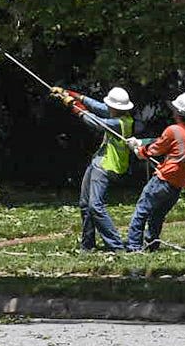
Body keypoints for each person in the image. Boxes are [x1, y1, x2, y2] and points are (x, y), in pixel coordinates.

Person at [50, 85, 136, 251]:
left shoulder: (120, 122)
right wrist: (69, 93)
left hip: (108, 166)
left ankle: (116, 245)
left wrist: (73, 106)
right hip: (98, 161)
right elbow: (96, 106)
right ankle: (87, 245)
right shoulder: (117, 113)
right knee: (84, 204)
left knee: (95, 206)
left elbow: (95, 122)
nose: (108, 108)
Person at [124, 92, 185, 251]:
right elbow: (165, 142)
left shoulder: (173, 130)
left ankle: (133, 247)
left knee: (141, 211)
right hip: (178, 185)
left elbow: (156, 149)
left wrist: (139, 150)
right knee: (157, 216)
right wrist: (142, 143)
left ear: (177, 112)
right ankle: (152, 244)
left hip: (163, 180)